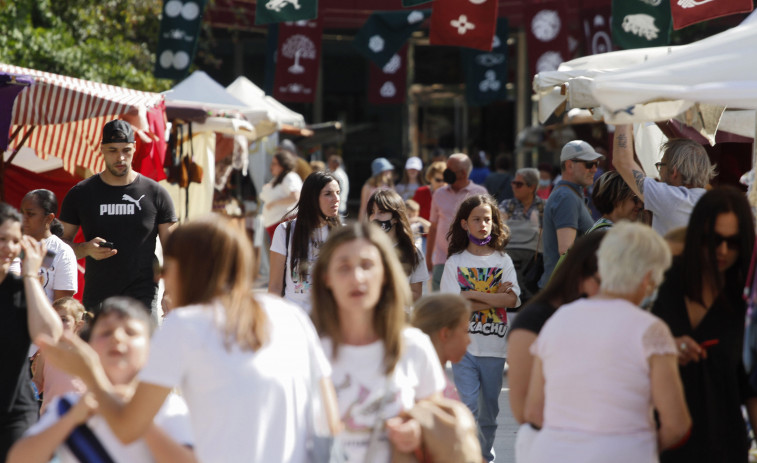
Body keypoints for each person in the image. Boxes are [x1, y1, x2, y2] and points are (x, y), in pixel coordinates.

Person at [36, 215, 339, 463]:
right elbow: (329, 419)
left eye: (167, 267)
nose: (160, 278)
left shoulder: (187, 325)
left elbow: (128, 427)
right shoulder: (291, 316)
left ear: (192, 270)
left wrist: (88, 370)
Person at [524, 222, 691, 463]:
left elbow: (533, 411)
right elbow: (677, 424)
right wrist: (640, 448)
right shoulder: (650, 330)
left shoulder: (558, 320)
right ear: (647, 278)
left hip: (552, 453)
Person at [310, 223, 446, 463]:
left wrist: (418, 432)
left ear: (385, 274)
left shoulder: (414, 346)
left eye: (367, 265)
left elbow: (439, 429)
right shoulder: (306, 352)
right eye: (344, 267)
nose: (357, 277)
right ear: (326, 278)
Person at [9, 297, 195, 463]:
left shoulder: (166, 407)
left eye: (130, 332)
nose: (117, 337)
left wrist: (138, 419)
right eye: (106, 332)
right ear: (88, 345)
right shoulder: (69, 406)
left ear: (150, 349)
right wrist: (70, 419)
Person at [651, 187, 757, 463]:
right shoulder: (662, 283)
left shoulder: (745, 301)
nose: (722, 251)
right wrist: (665, 347)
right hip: (657, 444)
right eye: (714, 239)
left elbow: (752, 390)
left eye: (733, 242)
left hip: (724, 447)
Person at [59, 119, 177, 315]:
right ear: (102, 149)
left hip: (144, 297)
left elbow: (174, 250)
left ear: (134, 148)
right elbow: (59, 246)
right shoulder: (81, 193)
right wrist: (85, 249)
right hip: (98, 298)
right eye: (113, 150)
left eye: (126, 150)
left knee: (144, 346)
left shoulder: (156, 193)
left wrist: (171, 291)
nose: (120, 157)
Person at [506, 232, 605, 460]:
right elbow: (524, 411)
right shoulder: (536, 320)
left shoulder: (614, 316)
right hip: (551, 445)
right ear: (584, 276)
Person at [440, 194, 520, 463]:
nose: (483, 224)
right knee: (468, 408)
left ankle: (485, 455)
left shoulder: (503, 260)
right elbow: (454, 305)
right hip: (464, 349)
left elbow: (511, 300)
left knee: (489, 414)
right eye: (476, 219)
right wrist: (491, 294)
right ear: (464, 224)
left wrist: (473, 295)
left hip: (495, 349)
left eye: (487, 219)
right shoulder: (455, 263)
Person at [0, 203, 63, 461]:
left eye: (15, 240)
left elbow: (50, 335)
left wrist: (29, 276)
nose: (9, 247)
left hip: (15, 409)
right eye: (2, 239)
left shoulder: (22, 289)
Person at [613, 124, 715, 236]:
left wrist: (623, 118)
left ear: (674, 171)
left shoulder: (673, 198)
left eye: (661, 165)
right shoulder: (713, 201)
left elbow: (622, 161)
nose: (659, 172)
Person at [268, 171, 342, 313]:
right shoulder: (285, 231)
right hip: (294, 317)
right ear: (312, 198)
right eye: (328, 194)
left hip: (329, 318)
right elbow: (275, 286)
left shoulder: (341, 233)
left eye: (338, 193)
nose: (336, 199)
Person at [539, 140, 603, 288]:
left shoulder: (568, 194)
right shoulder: (566, 197)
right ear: (569, 166)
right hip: (565, 289)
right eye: (589, 164)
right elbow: (566, 251)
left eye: (596, 164)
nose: (594, 169)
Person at [426, 153, 488, 290]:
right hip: (442, 260)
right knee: (440, 306)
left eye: (449, 169)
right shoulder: (439, 194)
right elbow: (433, 227)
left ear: (463, 173)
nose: (445, 172)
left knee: (468, 307)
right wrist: (429, 257)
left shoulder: (480, 193)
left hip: (471, 260)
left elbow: (487, 228)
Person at [12, 189, 78, 302]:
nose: (24, 219)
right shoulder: (11, 244)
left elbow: (62, 305)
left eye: (30, 214)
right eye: (22, 213)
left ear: (49, 218)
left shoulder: (62, 251)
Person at [367, 190, 429, 301]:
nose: (375, 217)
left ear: (395, 218)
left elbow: (416, 294)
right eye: (372, 212)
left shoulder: (412, 252)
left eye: (381, 212)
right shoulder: (363, 250)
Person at [32, 297, 88, 414]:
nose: (57, 323)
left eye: (63, 320)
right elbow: (38, 381)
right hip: (50, 415)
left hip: (79, 415)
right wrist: (28, 391)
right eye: (54, 319)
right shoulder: (46, 351)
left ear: (78, 325)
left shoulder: (86, 352)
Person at [410, 293, 471, 400]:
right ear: (445, 334)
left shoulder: (434, 377)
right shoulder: (426, 386)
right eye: (465, 331)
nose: (469, 341)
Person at [499, 168, 545, 301]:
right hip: (510, 254)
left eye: (519, 184)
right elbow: (500, 226)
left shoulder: (544, 206)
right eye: (513, 183)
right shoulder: (507, 205)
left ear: (532, 187)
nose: (514, 187)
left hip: (535, 257)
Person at [259, 150, 302, 240]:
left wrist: (274, 203)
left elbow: (295, 197)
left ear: (283, 165)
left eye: (274, 163)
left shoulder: (290, 176)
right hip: (275, 224)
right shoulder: (278, 179)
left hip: (284, 223)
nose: (271, 166)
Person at [359, 157, 394, 221]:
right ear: (380, 172)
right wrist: (360, 225)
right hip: (372, 220)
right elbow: (363, 208)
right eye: (386, 169)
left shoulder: (390, 186)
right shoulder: (367, 186)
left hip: (387, 219)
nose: (389, 171)